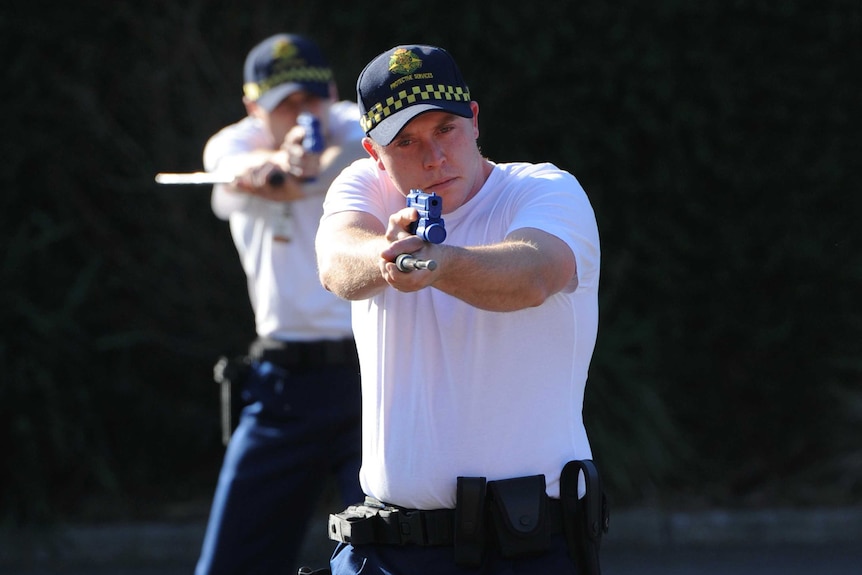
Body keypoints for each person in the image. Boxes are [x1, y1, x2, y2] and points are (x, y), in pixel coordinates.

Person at [315, 44, 602, 575]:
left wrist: (434, 265)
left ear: (474, 120)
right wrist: (389, 263)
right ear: (375, 154)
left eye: (444, 128)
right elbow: (335, 262)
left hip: (522, 547)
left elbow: (535, 273)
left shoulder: (544, 189)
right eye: (405, 142)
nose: (433, 157)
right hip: (386, 547)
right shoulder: (365, 186)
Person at [196, 33, 366, 575]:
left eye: (311, 99)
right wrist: (279, 163)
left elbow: (356, 141)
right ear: (253, 107)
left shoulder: (354, 127)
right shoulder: (235, 144)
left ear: (331, 92)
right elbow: (226, 158)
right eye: (284, 103)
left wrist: (307, 168)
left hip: (372, 377)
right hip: (283, 383)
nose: (302, 112)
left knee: (394, 555)